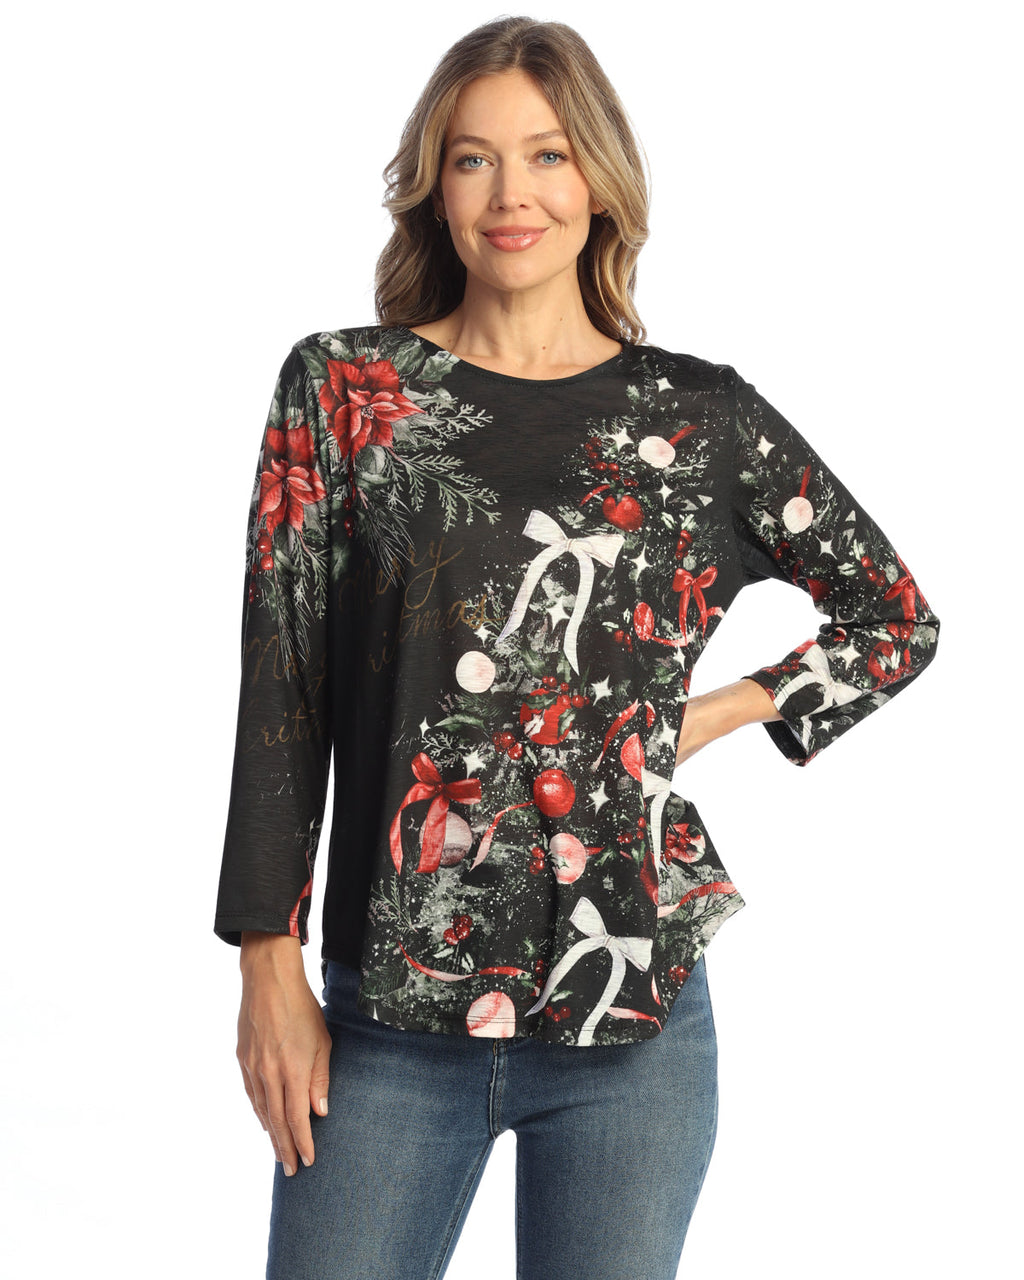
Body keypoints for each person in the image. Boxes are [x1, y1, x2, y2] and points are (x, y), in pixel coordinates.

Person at [215, 16, 939, 1280]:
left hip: (633, 1016)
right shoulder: (345, 394)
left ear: (597, 181)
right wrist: (266, 961)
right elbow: (283, 687)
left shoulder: (695, 417)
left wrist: (707, 714)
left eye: (547, 155)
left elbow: (894, 617)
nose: (513, 194)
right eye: (473, 158)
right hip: (392, 1014)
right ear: (433, 187)